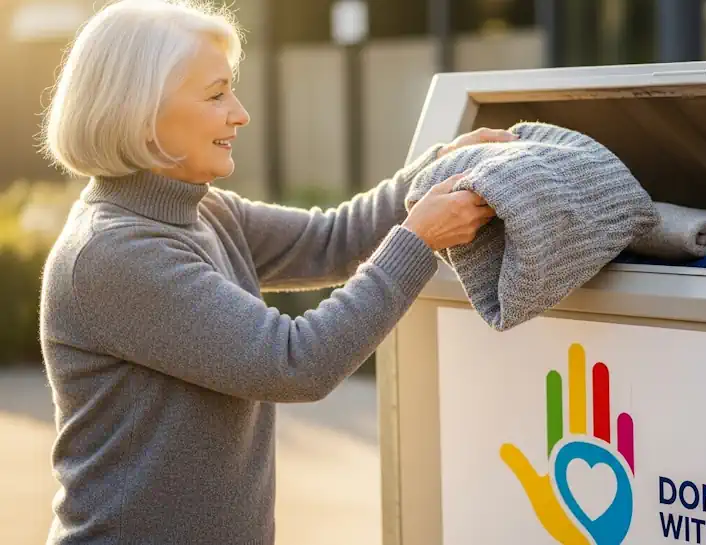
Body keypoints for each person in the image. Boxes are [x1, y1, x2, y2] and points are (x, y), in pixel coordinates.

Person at [38, 1, 516, 543]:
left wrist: (434, 170)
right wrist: (418, 239)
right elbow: (295, 362)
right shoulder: (114, 254)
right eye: (216, 94)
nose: (239, 113)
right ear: (140, 112)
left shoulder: (203, 211)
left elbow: (332, 240)